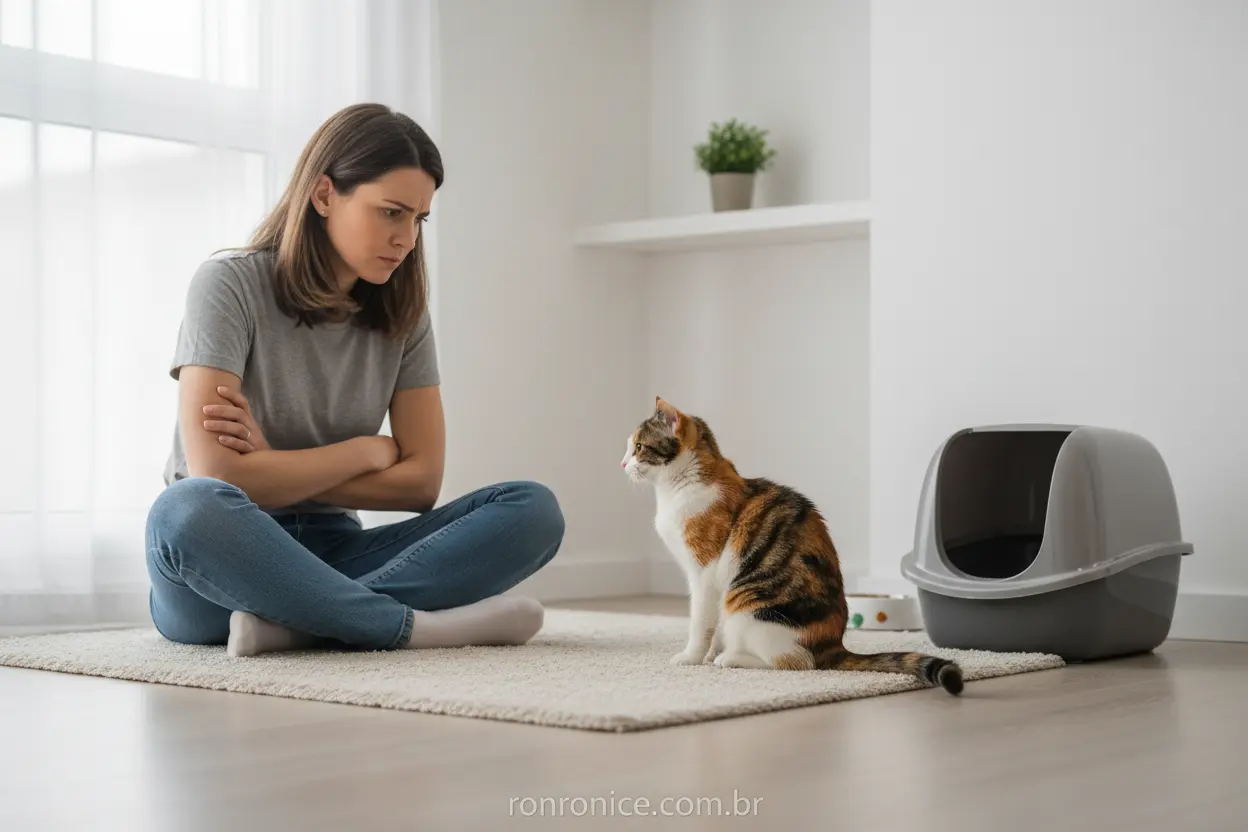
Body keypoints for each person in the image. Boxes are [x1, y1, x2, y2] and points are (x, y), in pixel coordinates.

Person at [145, 103, 563, 658]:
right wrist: (364, 452)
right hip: (221, 565)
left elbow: (420, 485)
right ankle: (416, 627)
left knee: (531, 510)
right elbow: (217, 474)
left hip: (334, 552)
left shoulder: (405, 313)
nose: (407, 238)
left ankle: (303, 627)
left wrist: (272, 468)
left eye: (419, 219)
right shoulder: (228, 285)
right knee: (187, 508)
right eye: (391, 212)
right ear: (323, 195)